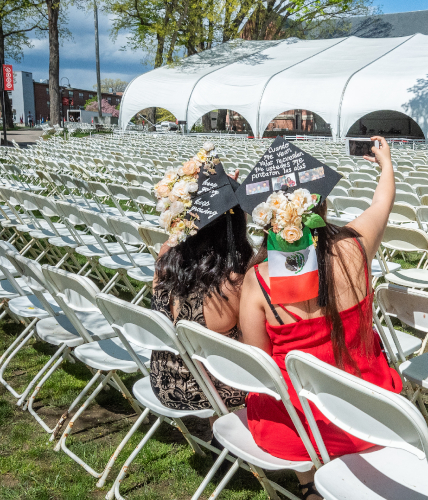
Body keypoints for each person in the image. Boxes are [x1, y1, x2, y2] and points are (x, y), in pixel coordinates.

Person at [238, 136, 399, 500]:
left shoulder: (257, 280)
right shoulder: (355, 248)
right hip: (368, 415)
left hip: (297, 428)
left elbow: (260, 361)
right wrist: (385, 164)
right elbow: (382, 202)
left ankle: (309, 483)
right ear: (320, 206)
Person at [151, 142, 253, 415]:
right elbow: (256, 347)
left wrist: (217, 199)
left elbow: (187, 233)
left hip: (164, 380)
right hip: (220, 390)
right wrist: (227, 203)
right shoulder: (237, 279)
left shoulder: (165, 257)